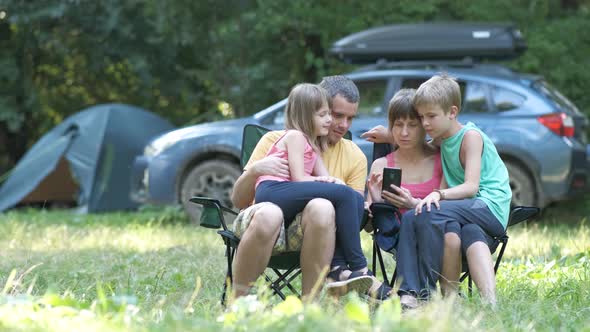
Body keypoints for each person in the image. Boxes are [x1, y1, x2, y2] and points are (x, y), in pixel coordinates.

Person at [230, 76, 378, 301]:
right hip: (264, 218)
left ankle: (310, 306)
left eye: (350, 118)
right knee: (271, 213)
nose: (342, 124)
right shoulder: (278, 139)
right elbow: (239, 200)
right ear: (313, 109)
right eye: (334, 114)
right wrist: (254, 171)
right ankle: (237, 302)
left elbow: (349, 206)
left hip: (314, 232)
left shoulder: (352, 154)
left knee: (323, 206)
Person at [396, 74, 512, 308]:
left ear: (452, 112)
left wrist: (438, 195)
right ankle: (490, 303)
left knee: (422, 213)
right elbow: (417, 144)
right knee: (468, 232)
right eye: (422, 117)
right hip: (472, 214)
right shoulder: (441, 139)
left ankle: (421, 294)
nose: (425, 123)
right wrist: (389, 135)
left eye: (431, 116)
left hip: (489, 205)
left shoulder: (470, 137)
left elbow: (471, 187)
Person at [363, 89, 461, 297]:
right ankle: (418, 294)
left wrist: (412, 203)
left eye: (412, 125)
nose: (404, 133)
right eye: (398, 125)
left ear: (425, 125)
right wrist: (376, 201)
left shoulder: (443, 157)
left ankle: (420, 294)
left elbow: (454, 206)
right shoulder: (381, 165)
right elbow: (372, 228)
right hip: (399, 238)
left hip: (444, 232)